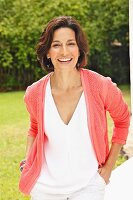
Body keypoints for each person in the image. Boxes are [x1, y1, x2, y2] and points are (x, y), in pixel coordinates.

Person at [19, 16, 130, 200]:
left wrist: (108, 169)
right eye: (56, 45)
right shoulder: (35, 93)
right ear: (47, 52)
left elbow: (123, 120)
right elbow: (35, 128)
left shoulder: (100, 86)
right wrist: (28, 163)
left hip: (89, 186)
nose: (64, 52)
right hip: (45, 188)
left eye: (70, 43)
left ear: (79, 49)